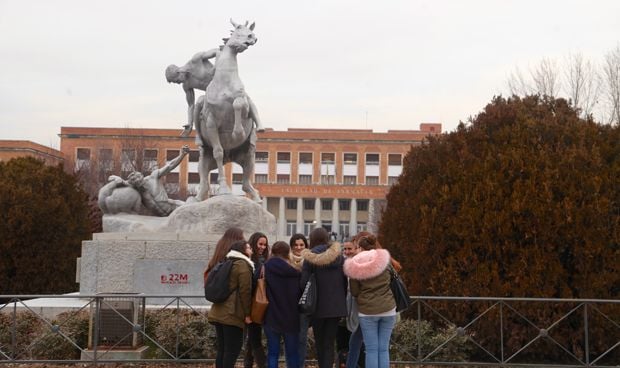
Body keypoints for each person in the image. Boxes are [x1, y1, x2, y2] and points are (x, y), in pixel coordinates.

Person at [166, 49, 265, 139]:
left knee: (244, 97)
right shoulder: (186, 85)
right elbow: (191, 105)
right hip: (213, 95)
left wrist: (215, 67)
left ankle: (258, 123)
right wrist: (189, 123)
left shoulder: (195, 60)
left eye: (176, 81)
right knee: (199, 104)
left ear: (179, 72)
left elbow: (217, 52)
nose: (179, 83)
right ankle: (200, 137)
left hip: (224, 83)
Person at [343, 235, 396, 368]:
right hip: (388, 309)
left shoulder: (355, 264)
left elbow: (354, 292)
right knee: (383, 349)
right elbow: (392, 280)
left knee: (371, 349)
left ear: (360, 248)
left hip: (367, 312)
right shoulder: (385, 260)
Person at [98, 145, 191, 216]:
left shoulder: (153, 177)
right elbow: (122, 182)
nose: (138, 180)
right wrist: (115, 178)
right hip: (163, 218)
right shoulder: (137, 189)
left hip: (174, 207)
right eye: (135, 180)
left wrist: (182, 155)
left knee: (192, 210)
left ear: (142, 175)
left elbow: (170, 165)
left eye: (138, 177)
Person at [300, 227, 347, 368]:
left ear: (312, 239)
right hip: (336, 307)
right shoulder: (339, 257)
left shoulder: (310, 258)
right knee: (329, 342)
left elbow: (304, 283)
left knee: (320, 343)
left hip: (317, 307)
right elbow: (345, 282)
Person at [208, 239, 255, 368]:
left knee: (222, 349)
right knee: (232, 350)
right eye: (248, 247)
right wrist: (247, 314)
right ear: (242, 250)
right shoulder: (243, 265)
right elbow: (245, 291)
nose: (251, 250)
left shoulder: (226, 262)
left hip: (218, 311)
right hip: (232, 313)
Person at [263, 241, 302, 368]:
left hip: (271, 316)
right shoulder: (296, 272)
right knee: (292, 353)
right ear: (288, 253)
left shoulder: (265, 267)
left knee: (273, 353)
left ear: (272, 252)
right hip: (291, 317)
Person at [244, 232, 270, 368]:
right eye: (260, 244)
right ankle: (262, 364)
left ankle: (248, 364)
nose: (263, 247)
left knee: (252, 339)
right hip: (253, 304)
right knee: (255, 338)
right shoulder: (249, 261)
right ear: (253, 243)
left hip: (260, 304)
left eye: (265, 244)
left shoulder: (263, 260)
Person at [289, 233, 309, 366]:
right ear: (291, 246)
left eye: (301, 244)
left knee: (302, 339)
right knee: (290, 339)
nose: (298, 247)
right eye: (295, 245)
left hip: (305, 305)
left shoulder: (310, 261)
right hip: (288, 304)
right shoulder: (286, 260)